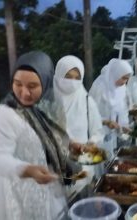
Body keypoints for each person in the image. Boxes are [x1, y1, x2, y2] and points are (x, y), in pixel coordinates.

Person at [0, 51, 72, 220]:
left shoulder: (41, 108)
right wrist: (27, 169)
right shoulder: (5, 114)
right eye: (17, 84)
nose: (24, 93)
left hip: (43, 183)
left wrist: (72, 143)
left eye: (32, 86)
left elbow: (48, 136)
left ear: (46, 83)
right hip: (15, 189)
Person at [52, 55, 104, 191]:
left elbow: (97, 131)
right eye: (68, 76)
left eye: (77, 78)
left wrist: (91, 144)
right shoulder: (48, 102)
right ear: (58, 74)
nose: (72, 82)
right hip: (54, 171)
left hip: (82, 169)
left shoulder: (86, 101)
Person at [89, 59, 133, 157]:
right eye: (123, 78)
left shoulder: (122, 89)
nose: (124, 82)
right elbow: (89, 113)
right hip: (97, 134)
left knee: (109, 160)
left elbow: (123, 111)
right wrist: (106, 122)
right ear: (116, 74)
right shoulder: (99, 86)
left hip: (112, 136)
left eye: (127, 79)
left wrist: (123, 126)